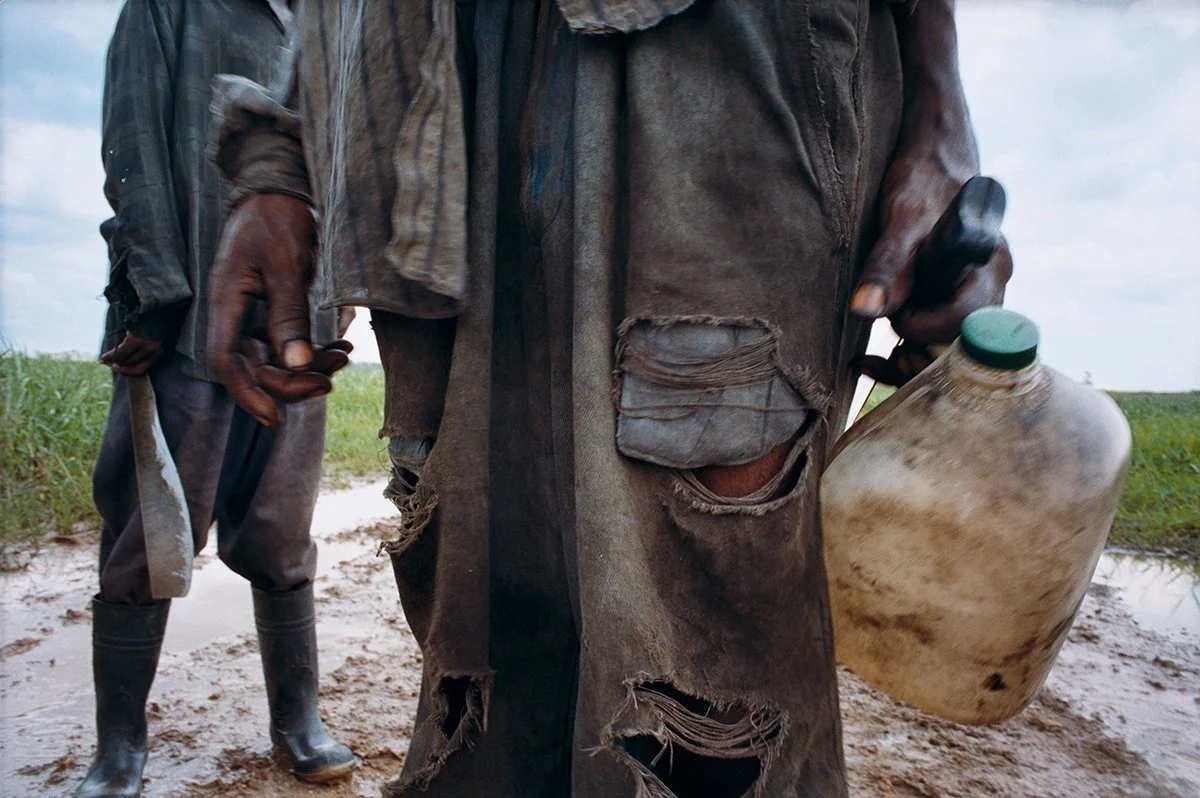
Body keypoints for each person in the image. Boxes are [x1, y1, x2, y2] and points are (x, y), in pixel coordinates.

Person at [208, 1, 1013, 795]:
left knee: (709, 704)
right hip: (431, 107)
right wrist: (281, 155)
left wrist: (938, 104)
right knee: (483, 676)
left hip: (728, 87)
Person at [77, 2, 354, 795]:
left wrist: (342, 286)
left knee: (281, 535)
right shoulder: (171, 8)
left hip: (296, 336)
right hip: (187, 318)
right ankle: (120, 750)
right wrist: (155, 295)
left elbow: (341, 152)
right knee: (148, 539)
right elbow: (130, 139)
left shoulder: (324, 18)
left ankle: (297, 722)